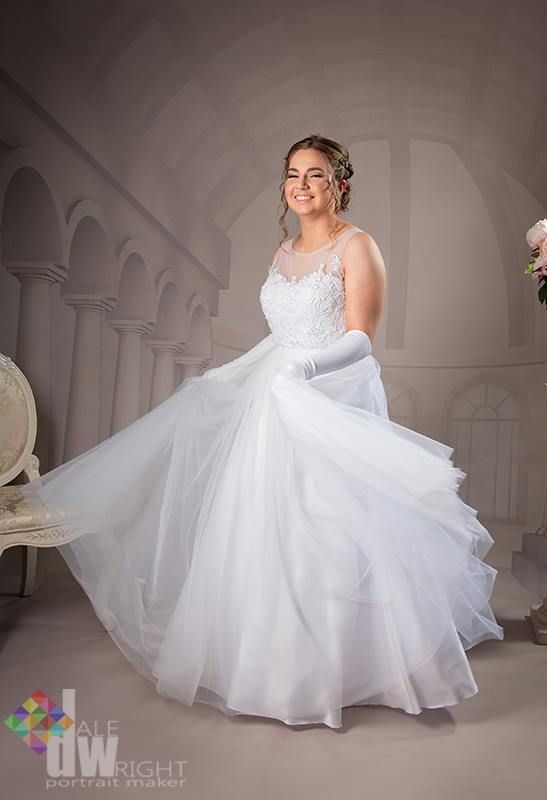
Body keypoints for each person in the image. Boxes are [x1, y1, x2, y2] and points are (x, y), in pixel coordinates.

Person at [22, 133, 504, 730]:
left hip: (331, 396)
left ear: (339, 184)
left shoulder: (358, 246)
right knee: (260, 523)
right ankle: (268, 669)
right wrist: (237, 371)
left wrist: (306, 369)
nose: (302, 185)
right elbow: (282, 334)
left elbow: (361, 338)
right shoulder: (282, 252)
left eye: (315, 174)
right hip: (272, 398)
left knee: (326, 527)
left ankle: (342, 668)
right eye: (293, 174)